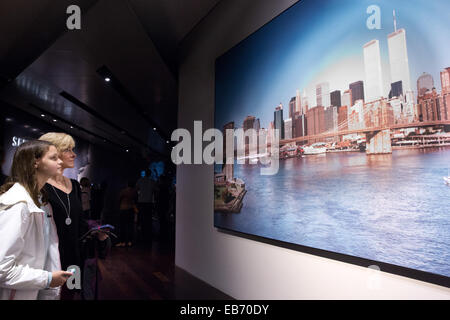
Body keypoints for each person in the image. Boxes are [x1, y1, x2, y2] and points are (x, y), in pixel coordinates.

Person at [39, 133, 110, 300]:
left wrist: (98, 235)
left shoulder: (75, 186)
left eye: (73, 149)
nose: (74, 154)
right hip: (50, 259)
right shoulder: (41, 186)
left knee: (71, 295)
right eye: (68, 150)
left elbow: (80, 224)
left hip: (74, 257)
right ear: (53, 153)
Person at [0, 140, 72, 300]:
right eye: (54, 158)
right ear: (35, 163)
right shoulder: (18, 205)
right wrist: (47, 279)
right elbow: (1, 269)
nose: (60, 161)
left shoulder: (42, 203)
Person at [135, 168, 155, 245]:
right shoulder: (152, 181)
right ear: (149, 174)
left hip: (141, 202)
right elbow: (155, 190)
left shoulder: (140, 180)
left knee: (142, 218)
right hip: (149, 202)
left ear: (145, 173)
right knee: (148, 219)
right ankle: (147, 234)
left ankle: (142, 234)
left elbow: (136, 189)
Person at [117, 181, 138, 247]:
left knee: (122, 226)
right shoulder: (134, 192)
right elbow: (136, 200)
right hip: (131, 209)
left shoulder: (123, 191)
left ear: (127, 184)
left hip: (123, 209)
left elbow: (119, 199)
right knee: (130, 226)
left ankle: (122, 242)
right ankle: (129, 241)